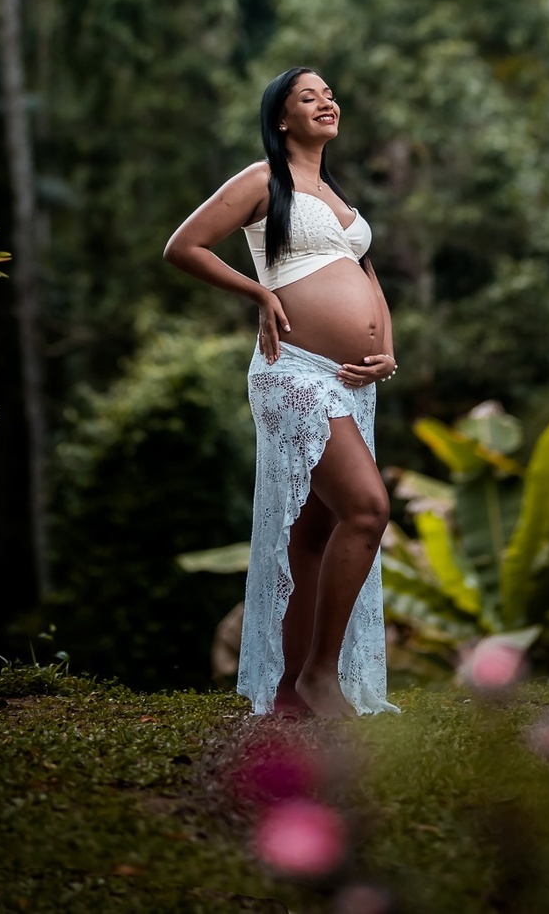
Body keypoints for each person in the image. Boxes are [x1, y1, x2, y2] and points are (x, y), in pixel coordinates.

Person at [164, 66, 399, 719]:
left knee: (313, 535)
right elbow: (184, 246)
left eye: (330, 94)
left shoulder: (338, 197)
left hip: (349, 381)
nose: (326, 102)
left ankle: (294, 692)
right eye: (308, 96)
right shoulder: (264, 180)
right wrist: (259, 293)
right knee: (367, 509)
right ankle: (321, 675)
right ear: (281, 118)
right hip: (291, 370)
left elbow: (367, 278)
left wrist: (386, 349)